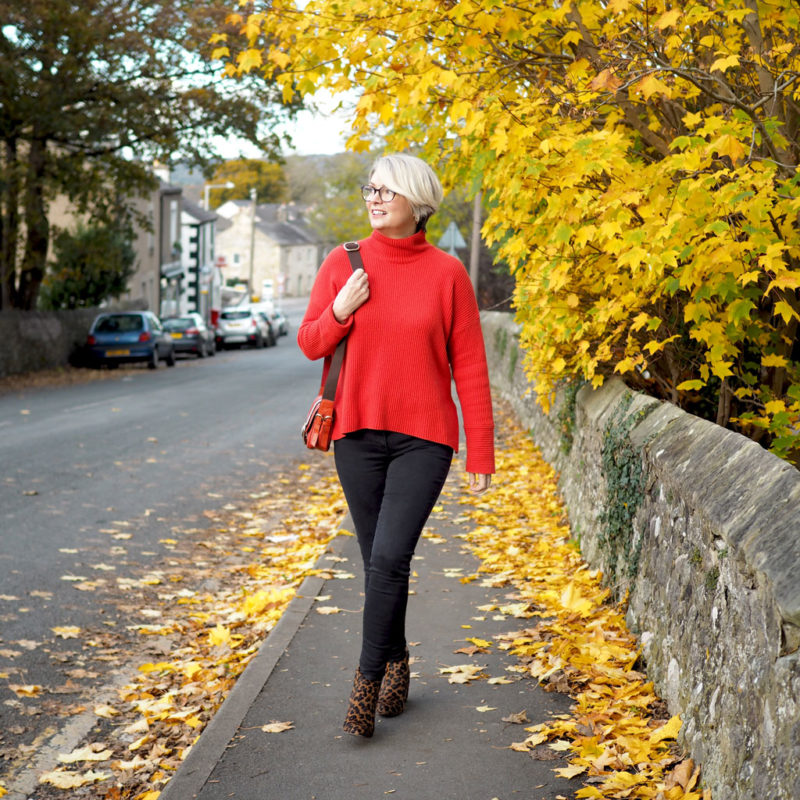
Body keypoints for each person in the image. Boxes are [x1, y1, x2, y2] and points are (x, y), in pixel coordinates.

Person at [297, 153, 495, 738]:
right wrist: (340, 310)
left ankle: (364, 687)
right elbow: (311, 343)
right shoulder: (343, 263)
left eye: (387, 190)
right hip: (356, 435)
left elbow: (472, 368)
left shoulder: (447, 274)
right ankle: (399, 661)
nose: (374, 197)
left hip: (424, 441)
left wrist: (480, 449)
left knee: (388, 559)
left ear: (418, 201)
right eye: (371, 188)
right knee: (379, 563)